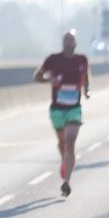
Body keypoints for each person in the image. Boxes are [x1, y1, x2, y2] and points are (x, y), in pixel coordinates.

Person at [34, 31, 90, 197]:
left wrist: (87, 90)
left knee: (70, 143)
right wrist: (49, 80)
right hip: (57, 109)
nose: (68, 42)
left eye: (71, 39)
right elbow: (37, 76)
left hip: (74, 108)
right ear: (62, 42)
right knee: (62, 143)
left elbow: (85, 76)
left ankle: (67, 182)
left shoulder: (82, 59)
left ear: (76, 43)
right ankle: (65, 161)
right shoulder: (53, 59)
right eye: (65, 39)